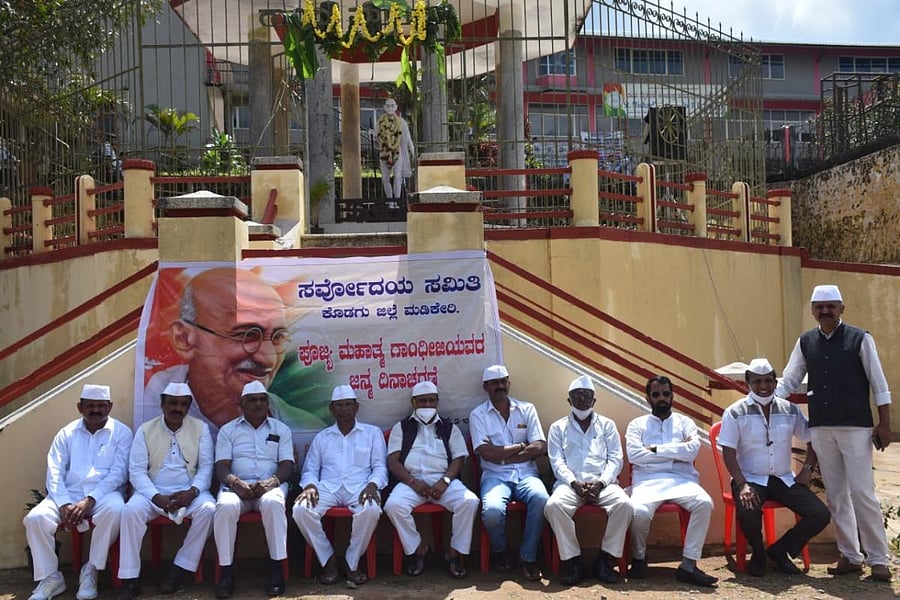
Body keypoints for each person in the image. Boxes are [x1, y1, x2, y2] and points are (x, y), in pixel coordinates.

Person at [775, 284, 893, 582]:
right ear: (812, 310)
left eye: (831, 307)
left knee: (862, 493)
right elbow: (790, 379)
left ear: (841, 309)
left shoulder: (860, 338)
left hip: (855, 427)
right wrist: (764, 401)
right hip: (822, 427)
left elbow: (878, 382)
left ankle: (878, 559)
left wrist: (884, 423)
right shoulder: (806, 341)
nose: (825, 311)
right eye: (820, 307)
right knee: (837, 495)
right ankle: (850, 556)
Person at [143, 267, 326, 431]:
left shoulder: (302, 427)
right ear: (183, 339)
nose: (268, 359)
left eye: (278, 338)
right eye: (246, 335)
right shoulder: (150, 407)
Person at [719, 358, 831, 576]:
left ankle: (780, 551)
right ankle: (759, 553)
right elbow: (728, 452)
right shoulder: (735, 412)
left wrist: (807, 470)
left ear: (775, 382)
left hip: (783, 478)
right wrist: (742, 484)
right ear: (747, 383)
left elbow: (812, 440)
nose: (763, 386)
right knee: (748, 511)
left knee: (820, 514)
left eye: (768, 381)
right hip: (750, 478)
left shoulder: (789, 410)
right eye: (757, 381)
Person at [23, 384, 133, 600]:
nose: (96, 410)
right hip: (68, 493)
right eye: (90, 405)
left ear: (110, 407)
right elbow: (54, 471)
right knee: (35, 519)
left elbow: (119, 473)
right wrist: (64, 503)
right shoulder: (66, 433)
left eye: (101, 405)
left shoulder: (122, 433)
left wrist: (91, 500)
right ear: (79, 407)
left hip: (104, 494)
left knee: (116, 510)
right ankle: (52, 578)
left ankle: (91, 569)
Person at [117, 383, 216, 599]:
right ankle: (130, 579)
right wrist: (156, 497)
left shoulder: (200, 429)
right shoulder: (145, 430)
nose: (177, 408)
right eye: (172, 403)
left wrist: (192, 492)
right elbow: (136, 471)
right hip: (153, 492)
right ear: (162, 404)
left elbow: (207, 466)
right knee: (130, 511)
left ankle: (180, 568)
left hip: (189, 492)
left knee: (209, 509)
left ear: (188, 406)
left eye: (182, 404)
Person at [625, 376, 717, 587]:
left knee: (704, 503)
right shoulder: (637, 425)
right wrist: (676, 454)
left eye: (666, 394)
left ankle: (688, 565)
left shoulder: (685, 423)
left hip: (682, 480)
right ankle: (639, 558)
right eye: (656, 394)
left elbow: (692, 451)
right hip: (647, 481)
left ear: (672, 396)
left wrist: (654, 449)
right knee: (638, 511)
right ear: (648, 398)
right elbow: (634, 455)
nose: (662, 398)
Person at [292, 385, 387, 586]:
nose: (344, 409)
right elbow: (310, 469)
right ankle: (328, 559)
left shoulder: (372, 433)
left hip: (361, 487)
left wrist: (373, 485)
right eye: (339, 405)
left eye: (348, 404)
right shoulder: (323, 437)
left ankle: (351, 562)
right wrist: (310, 486)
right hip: (327, 488)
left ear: (356, 407)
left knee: (371, 510)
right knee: (300, 510)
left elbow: (380, 467)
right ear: (331, 409)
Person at [544, 375, 634, 585]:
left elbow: (616, 459)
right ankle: (574, 561)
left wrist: (601, 483)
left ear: (594, 400)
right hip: (570, 485)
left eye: (587, 395)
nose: (582, 399)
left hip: (604, 485)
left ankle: (605, 559)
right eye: (577, 395)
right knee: (553, 506)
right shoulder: (558, 428)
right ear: (569, 400)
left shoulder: (607, 425)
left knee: (625, 505)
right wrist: (573, 483)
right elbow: (556, 462)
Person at [384, 381, 479, 579]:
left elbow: (459, 459)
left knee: (470, 502)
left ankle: (453, 552)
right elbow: (393, 461)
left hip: (443, 482)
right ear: (413, 402)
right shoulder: (401, 427)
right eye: (422, 401)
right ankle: (419, 548)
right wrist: (413, 483)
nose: (427, 404)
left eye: (431, 400)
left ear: (437, 402)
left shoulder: (449, 428)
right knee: (393, 506)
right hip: (411, 482)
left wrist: (445, 482)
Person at [212, 381, 294, 598]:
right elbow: (221, 467)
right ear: (242, 404)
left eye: (262, 400)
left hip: (270, 486)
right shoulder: (228, 430)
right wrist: (235, 483)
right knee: (224, 507)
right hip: (237, 488)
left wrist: (271, 482)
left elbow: (287, 465)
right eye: (252, 400)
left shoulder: (281, 429)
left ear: (267, 403)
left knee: (274, 503)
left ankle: (277, 570)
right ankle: (226, 572)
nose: (258, 404)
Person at [469, 364, 549, 581]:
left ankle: (527, 557)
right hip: (495, 476)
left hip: (527, 474)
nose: (500, 386)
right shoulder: (478, 415)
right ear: (485, 387)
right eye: (494, 383)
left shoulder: (527, 409)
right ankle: (500, 551)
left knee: (541, 499)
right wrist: (521, 446)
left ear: (509, 383)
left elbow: (539, 446)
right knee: (492, 511)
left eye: (503, 382)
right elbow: (486, 452)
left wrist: (503, 456)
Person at [374, 98, 413, 200]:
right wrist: (373, 136)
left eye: (392, 106)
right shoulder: (379, 122)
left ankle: (397, 200)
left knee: (398, 177)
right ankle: (390, 201)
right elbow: (376, 139)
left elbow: (408, 138)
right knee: (385, 179)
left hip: (397, 152)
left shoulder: (401, 122)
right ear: (384, 107)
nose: (390, 108)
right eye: (388, 106)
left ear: (396, 107)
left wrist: (412, 150)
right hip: (384, 152)